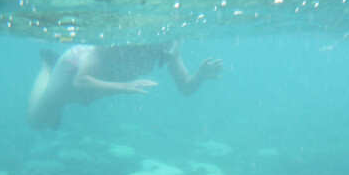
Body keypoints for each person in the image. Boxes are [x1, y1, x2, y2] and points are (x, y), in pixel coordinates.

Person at [27, 42, 224, 130]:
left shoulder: (169, 44)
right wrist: (123, 87)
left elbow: (186, 89)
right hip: (73, 68)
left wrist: (200, 76)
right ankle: (47, 67)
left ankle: (56, 103)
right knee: (38, 122)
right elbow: (80, 81)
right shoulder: (117, 41)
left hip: (99, 85)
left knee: (79, 101)